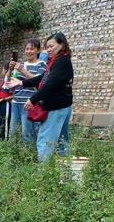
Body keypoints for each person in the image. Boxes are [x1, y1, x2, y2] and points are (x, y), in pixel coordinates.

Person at [9, 32, 74, 162]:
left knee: (44, 140)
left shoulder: (61, 61)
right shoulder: (58, 61)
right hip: (63, 105)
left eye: (51, 46)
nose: (48, 49)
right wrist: (22, 82)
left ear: (61, 44)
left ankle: (42, 174)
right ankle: (66, 170)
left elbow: (50, 84)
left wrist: (33, 99)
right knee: (62, 139)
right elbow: (43, 78)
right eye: (47, 47)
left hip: (56, 107)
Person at [8, 39, 47, 142]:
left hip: (29, 103)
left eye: (32, 49)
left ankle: (28, 156)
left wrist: (22, 70)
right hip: (16, 102)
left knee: (27, 134)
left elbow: (38, 81)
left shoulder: (42, 65)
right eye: (27, 49)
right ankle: (12, 155)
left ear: (38, 51)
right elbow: (10, 82)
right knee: (13, 132)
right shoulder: (22, 64)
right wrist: (10, 70)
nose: (29, 51)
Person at [0, 62, 14, 141]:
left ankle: (5, 139)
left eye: (2, 68)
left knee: (4, 120)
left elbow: (14, 95)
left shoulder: (11, 80)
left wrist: (4, 99)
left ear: (5, 70)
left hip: (6, 104)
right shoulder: (3, 82)